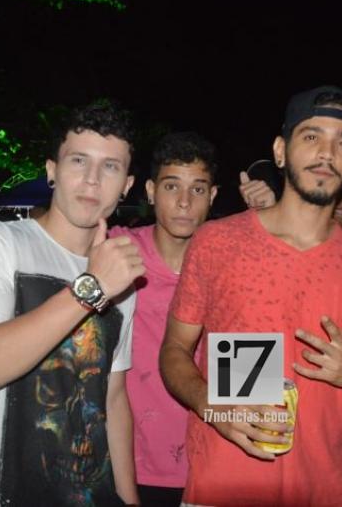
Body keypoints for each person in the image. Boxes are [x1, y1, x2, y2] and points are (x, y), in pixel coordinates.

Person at [160, 85, 342, 506]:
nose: (327, 152)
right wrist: (212, 405)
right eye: (311, 136)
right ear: (281, 151)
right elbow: (174, 350)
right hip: (224, 486)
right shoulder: (217, 242)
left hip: (322, 490)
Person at [0, 100, 144, 507]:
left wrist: (129, 498)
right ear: (52, 170)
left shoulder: (121, 274)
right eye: (78, 160)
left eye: (110, 167)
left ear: (127, 184)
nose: (92, 180)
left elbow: (112, 397)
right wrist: (91, 287)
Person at [109, 131, 217, 507]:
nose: (184, 202)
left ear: (213, 195)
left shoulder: (230, 264)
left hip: (212, 459)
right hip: (128, 463)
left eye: (198, 189)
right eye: (172, 186)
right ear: (151, 191)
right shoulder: (117, 249)